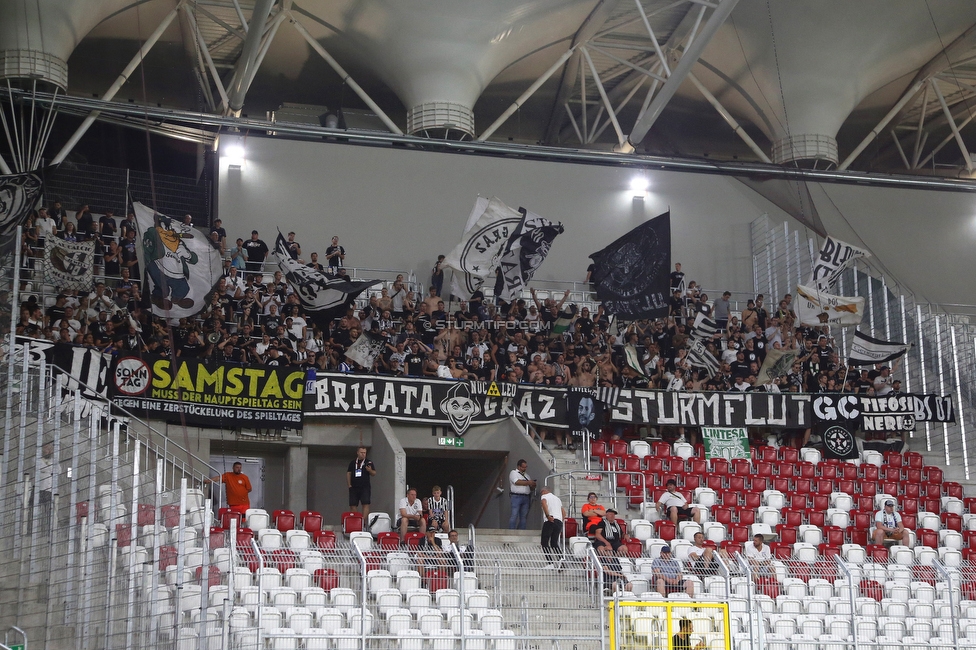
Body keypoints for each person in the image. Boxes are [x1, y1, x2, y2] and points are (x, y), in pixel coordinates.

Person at [347, 446, 376, 519]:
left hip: (365, 487)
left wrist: (369, 470)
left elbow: (374, 473)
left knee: (365, 504)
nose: (363, 454)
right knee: (353, 505)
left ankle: (363, 522)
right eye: (362, 452)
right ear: (357, 453)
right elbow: (348, 473)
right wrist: (349, 485)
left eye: (365, 453)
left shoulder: (368, 462)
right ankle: (356, 520)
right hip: (354, 487)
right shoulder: (353, 462)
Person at [540, 487, 566, 568]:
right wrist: (561, 521)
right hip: (558, 521)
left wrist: (548, 515)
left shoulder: (545, 496)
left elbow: (544, 503)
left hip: (550, 520)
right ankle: (561, 561)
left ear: (544, 491)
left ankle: (550, 563)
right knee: (554, 543)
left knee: (544, 542)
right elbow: (563, 512)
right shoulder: (557, 499)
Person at [509, 459, 536, 530]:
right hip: (516, 496)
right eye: (523, 467)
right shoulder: (513, 473)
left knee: (523, 516)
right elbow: (516, 482)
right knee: (514, 514)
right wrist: (528, 482)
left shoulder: (527, 475)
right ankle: (512, 530)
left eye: (526, 467)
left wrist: (532, 485)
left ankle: (522, 530)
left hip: (526, 497)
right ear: (519, 466)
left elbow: (530, 487)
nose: (525, 468)